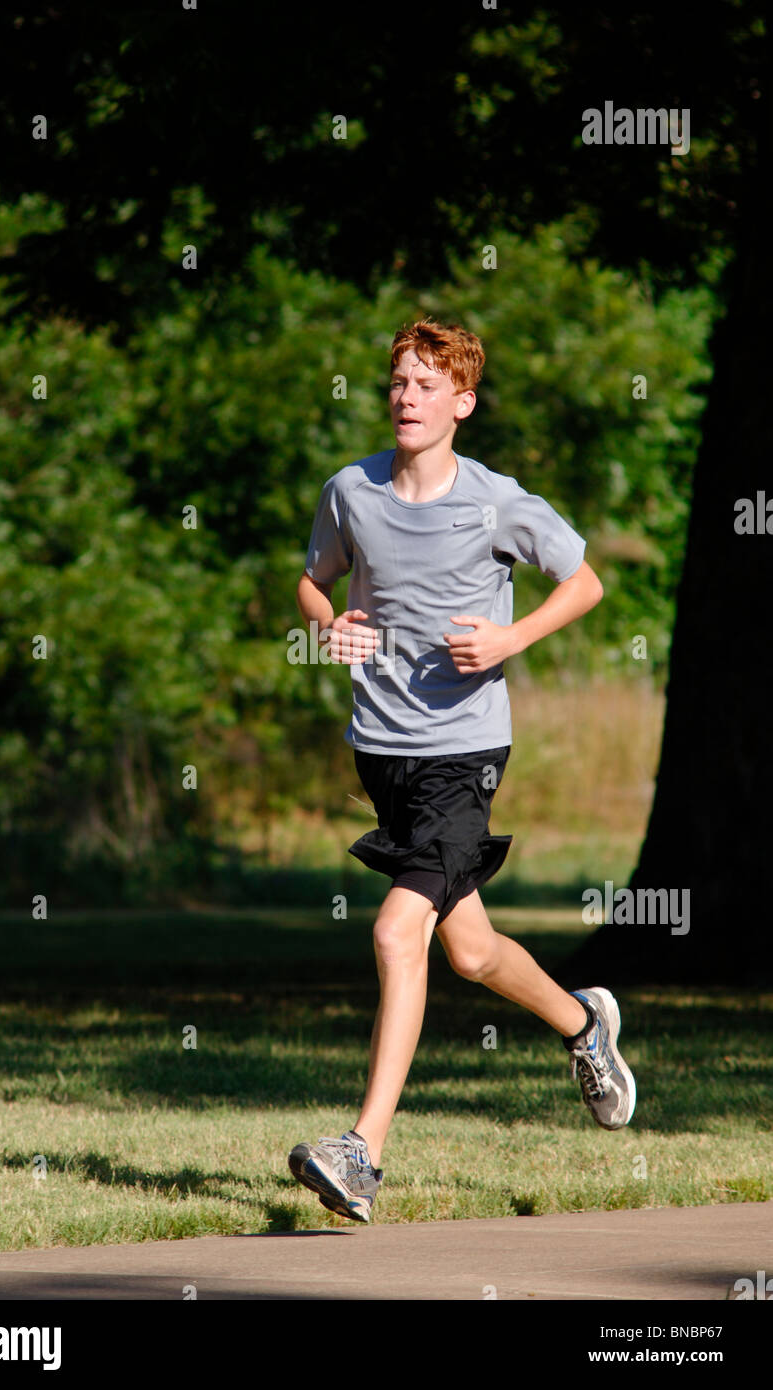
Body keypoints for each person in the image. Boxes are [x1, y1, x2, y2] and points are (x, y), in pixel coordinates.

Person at [287, 318, 635, 1223]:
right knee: (470, 949)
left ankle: (361, 1154)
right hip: (383, 751)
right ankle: (582, 1023)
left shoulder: (496, 502)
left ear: (461, 404)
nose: (406, 396)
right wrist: (330, 623)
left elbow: (586, 582)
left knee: (398, 934)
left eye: (426, 385)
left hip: (464, 752)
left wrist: (512, 636)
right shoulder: (350, 492)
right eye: (397, 382)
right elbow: (313, 579)